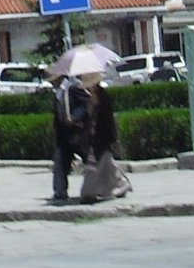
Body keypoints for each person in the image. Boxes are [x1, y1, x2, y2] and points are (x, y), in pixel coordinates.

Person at [77, 72, 131, 204]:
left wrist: (96, 105)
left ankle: (93, 192)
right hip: (95, 140)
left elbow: (107, 121)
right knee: (107, 166)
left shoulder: (103, 97)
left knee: (98, 168)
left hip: (102, 139)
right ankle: (121, 184)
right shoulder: (91, 98)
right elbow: (87, 119)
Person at [48, 73, 91, 204]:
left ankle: (101, 187)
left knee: (92, 162)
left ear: (59, 78)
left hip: (78, 134)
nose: (51, 82)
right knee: (60, 163)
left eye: (52, 79)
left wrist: (74, 117)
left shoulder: (72, 88)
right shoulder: (58, 93)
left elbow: (87, 104)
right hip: (64, 136)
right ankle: (60, 192)